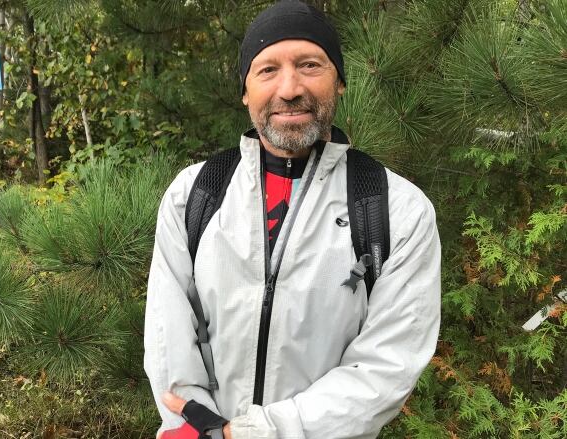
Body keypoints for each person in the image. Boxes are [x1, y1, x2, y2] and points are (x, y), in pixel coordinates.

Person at [143, 2, 441, 438]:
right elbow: (168, 332)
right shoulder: (195, 194)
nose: (289, 88)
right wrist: (197, 426)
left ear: (339, 82)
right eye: (267, 70)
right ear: (245, 89)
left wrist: (248, 433)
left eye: (309, 65)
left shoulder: (396, 209)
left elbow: (385, 367)